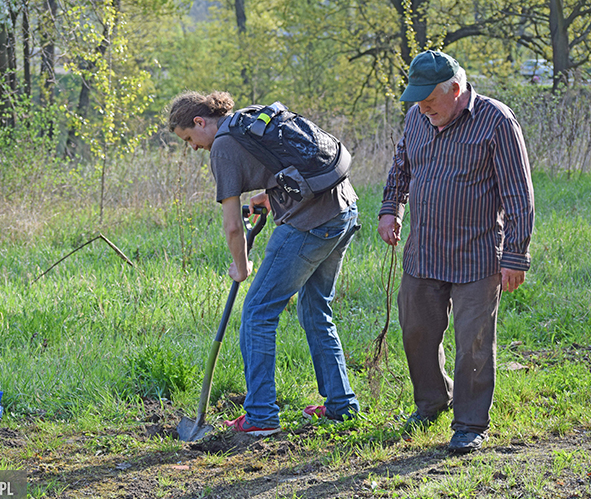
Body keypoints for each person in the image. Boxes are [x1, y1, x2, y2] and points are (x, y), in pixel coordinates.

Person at [167, 91, 360, 436]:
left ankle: (260, 415)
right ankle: (341, 406)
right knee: (315, 309)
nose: (192, 147)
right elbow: (285, 163)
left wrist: (241, 267)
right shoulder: (250, 119)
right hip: (344, 209)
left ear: (200, 122)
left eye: (188, 139)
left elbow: (232, 226)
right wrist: (272, 195)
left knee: (258, 313)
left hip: (311, 224)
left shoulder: (223, 146)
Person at [377, 51, 535, 453]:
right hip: (424, 251)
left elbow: (518, 193)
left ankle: (469, 423)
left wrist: (515, 255)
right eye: (417, 100)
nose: (423, 108)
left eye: (430, 100)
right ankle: (432, 401)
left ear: (456, 89)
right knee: (416, 332)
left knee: (473, 343)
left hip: (476, 256)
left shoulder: (497, 121)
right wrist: (390, 207)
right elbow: (401, 167)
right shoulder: (417, 118)